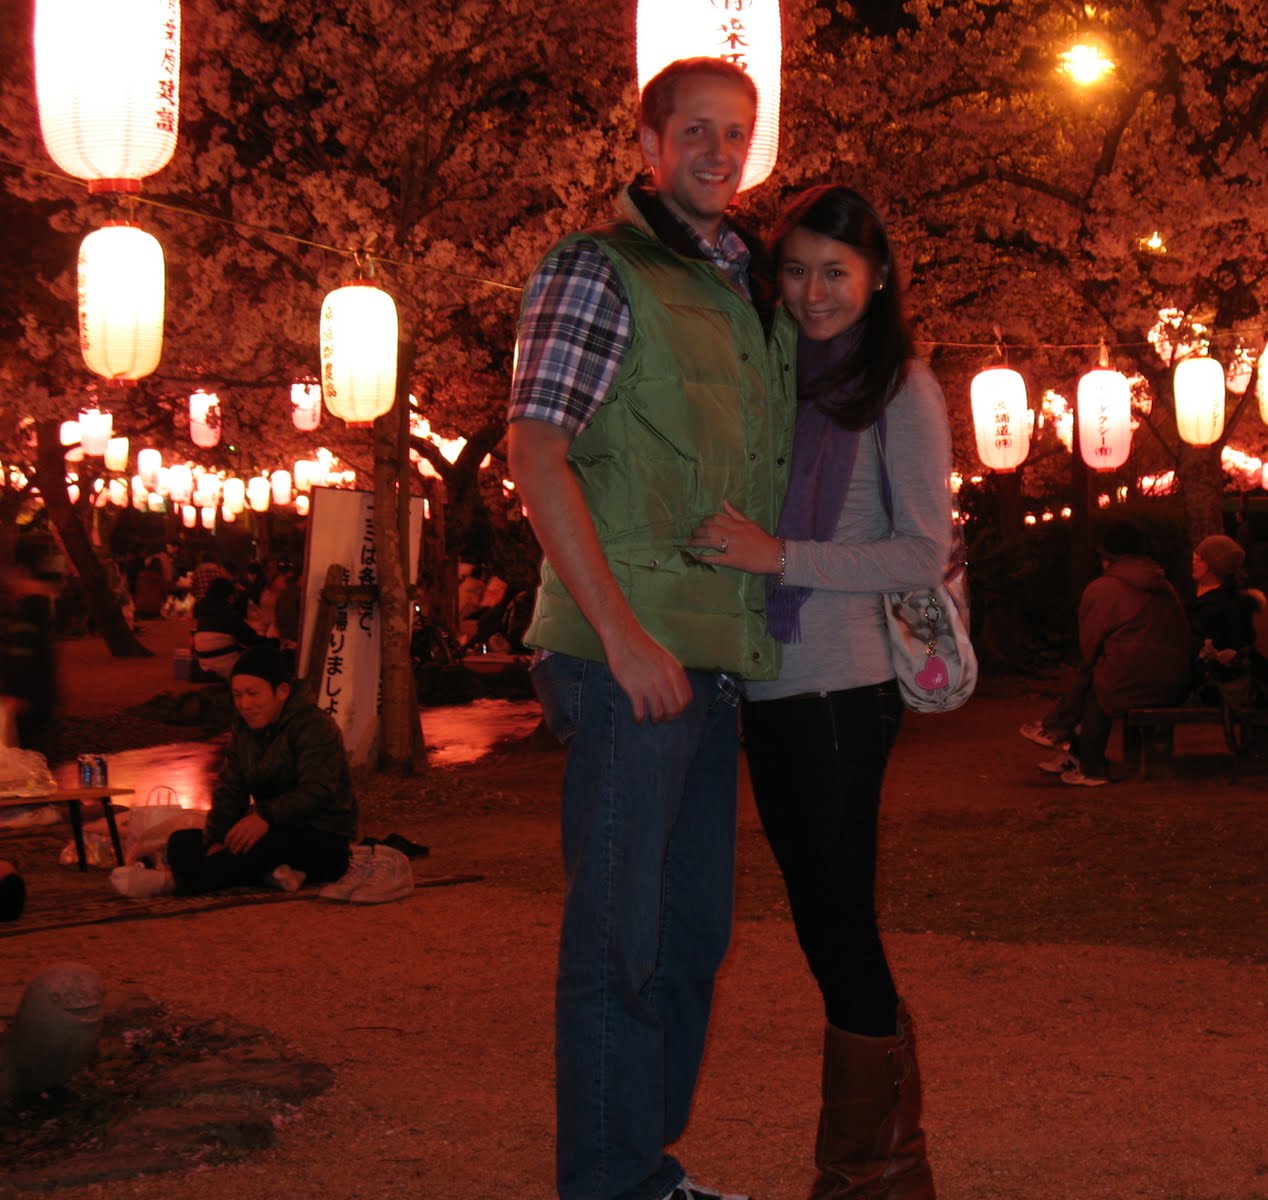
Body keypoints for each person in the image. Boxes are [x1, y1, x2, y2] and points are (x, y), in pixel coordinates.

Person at [505, 56, 793, 1200]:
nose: (717, 152)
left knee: (687, 943)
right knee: (618, 944)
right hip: (627, 658)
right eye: (695, 131)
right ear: (648, 144)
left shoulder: (739, 291)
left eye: (736, 133)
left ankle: (644, 1170)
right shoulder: (597, 270)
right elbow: (536, 454)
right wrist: (619, 638)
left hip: (710, 661)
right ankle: (610, 1186)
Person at [688, 184, 946, 1197]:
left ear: (876, 278)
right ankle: (875, 1157)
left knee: (837, 920)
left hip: (841, 686)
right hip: (767, 683)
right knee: (814, 915)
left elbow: (921, 551)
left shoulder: (899, 387)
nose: (811, 290)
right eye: (793, 269)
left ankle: (879, 1168)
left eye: (833, 271)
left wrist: (777, 555)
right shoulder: (772, 379)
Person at [109, 646, 357, 898]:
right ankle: (270, 875)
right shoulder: (244, 728)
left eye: (253, 694)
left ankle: (172, 883)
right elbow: (231, 787)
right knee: (183, 841)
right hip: (268, 826)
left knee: (262, 846)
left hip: (321, 834)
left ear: (281, 692)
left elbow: (319, 790)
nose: (245, 704)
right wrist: (216, 839)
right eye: (238, 695)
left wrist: (265, 816)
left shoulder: (314, 726)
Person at [1034, 521, 1190, 786]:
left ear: (1106, 555)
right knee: (1102, 676)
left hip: (1130, 679)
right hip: (1176, 678)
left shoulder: (1103, 588)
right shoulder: (1164, 584)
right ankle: (1066, 740)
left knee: (1097, 681)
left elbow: (1090, 646)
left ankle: (1081, 754)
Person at [0, 539, 64, 759]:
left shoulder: (29, 609)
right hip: (39, 697)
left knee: (32, 759)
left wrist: (17, 692)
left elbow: (24, 655)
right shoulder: (42, 606)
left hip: (30, 700)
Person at [1188, 533, 1267, 701]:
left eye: (1199, 559)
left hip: (1215, 684)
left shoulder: (1211, 607)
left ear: (1213, 565)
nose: (1193, 562)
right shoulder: (1236, 600)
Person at [192, 576, 268, 681]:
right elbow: (250, 639)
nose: (234, 598)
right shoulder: (227, 614)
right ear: (227, 596)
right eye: (233, 595)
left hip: (205, 664)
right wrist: (275, 643)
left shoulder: (204, 612)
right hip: (225, 667)